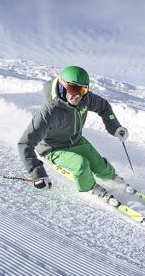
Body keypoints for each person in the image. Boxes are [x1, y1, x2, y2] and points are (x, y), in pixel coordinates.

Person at [18, 65, 129, 196]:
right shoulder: (49, 111)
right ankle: (90, 188)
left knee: (100, 166)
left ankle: (113, 179)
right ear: (62, 85)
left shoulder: (85, 98)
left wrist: (115, 127)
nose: (78, 95)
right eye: (73, 88)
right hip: (54, 148)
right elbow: (25, 143)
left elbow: (104, 107)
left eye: (83, 89)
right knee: (81, 165)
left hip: (77, 141)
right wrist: (37, 174)